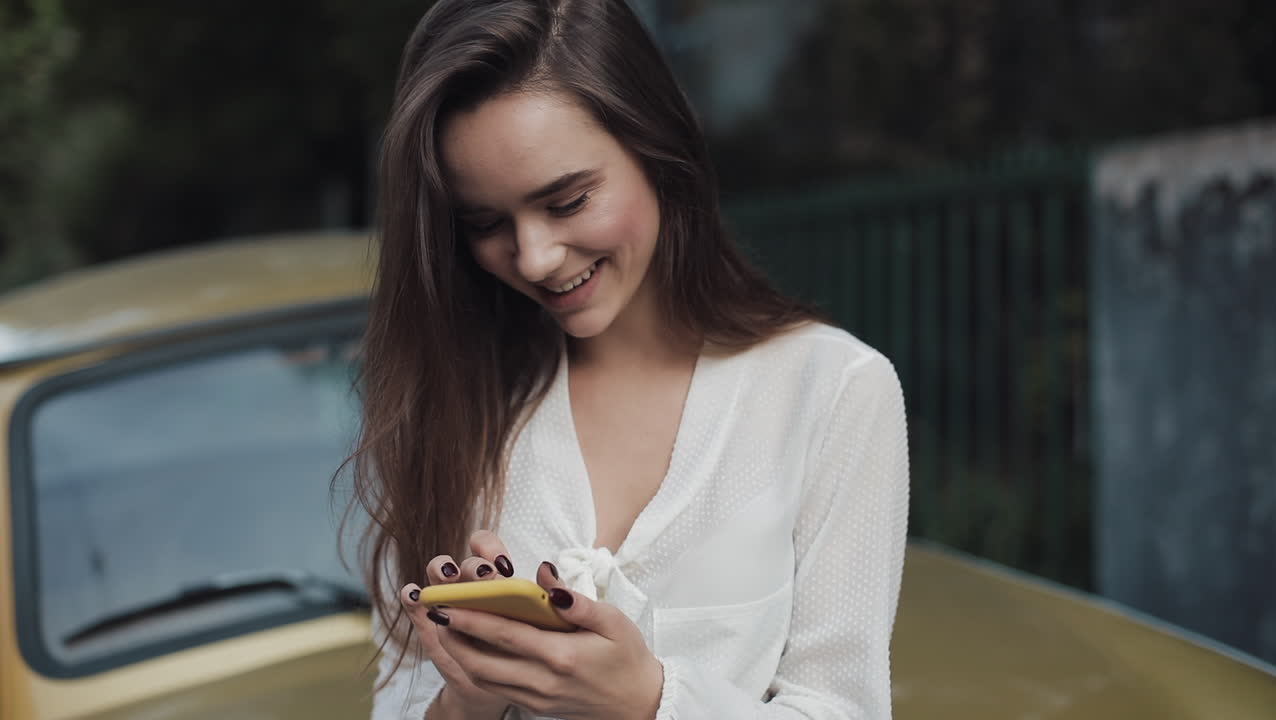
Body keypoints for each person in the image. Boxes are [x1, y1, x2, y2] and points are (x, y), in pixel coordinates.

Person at [350, 0, 910, 718]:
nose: (534, 256)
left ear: (657, 150)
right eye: (486, 224)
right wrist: (473, 693)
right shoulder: (436, 407)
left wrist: (650, 701)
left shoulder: (832, 392)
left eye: (569, 200)